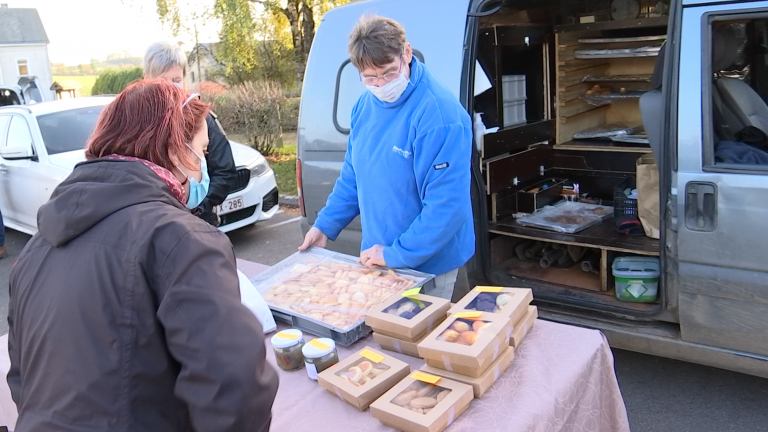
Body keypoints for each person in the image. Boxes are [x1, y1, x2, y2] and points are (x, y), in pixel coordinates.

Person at [7, 80, 279, 432]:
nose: (203, 168)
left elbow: (22, 379)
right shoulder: (181, 239)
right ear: (175, 146)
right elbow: (234, 389)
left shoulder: (36, 248)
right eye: (203, 149)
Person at [299, 15, 475, 299]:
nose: (381, 85)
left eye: (389, 73)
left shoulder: (440, 116)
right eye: (370, 77)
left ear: (406, 53)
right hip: (378, 255)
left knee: (416, 337)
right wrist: (325, 225)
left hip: (427, 265)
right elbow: (354, 176)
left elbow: (447, 207)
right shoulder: (364, 106)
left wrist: (396, 254)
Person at [143, 41, 237, 227]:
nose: (171, 87)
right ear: (147, 79)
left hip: (199, 224)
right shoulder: (137, 123)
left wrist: (199, 205)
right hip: (155, 226)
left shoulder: (200, 119)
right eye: (163, 80)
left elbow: (225, 170)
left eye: (177, 80)